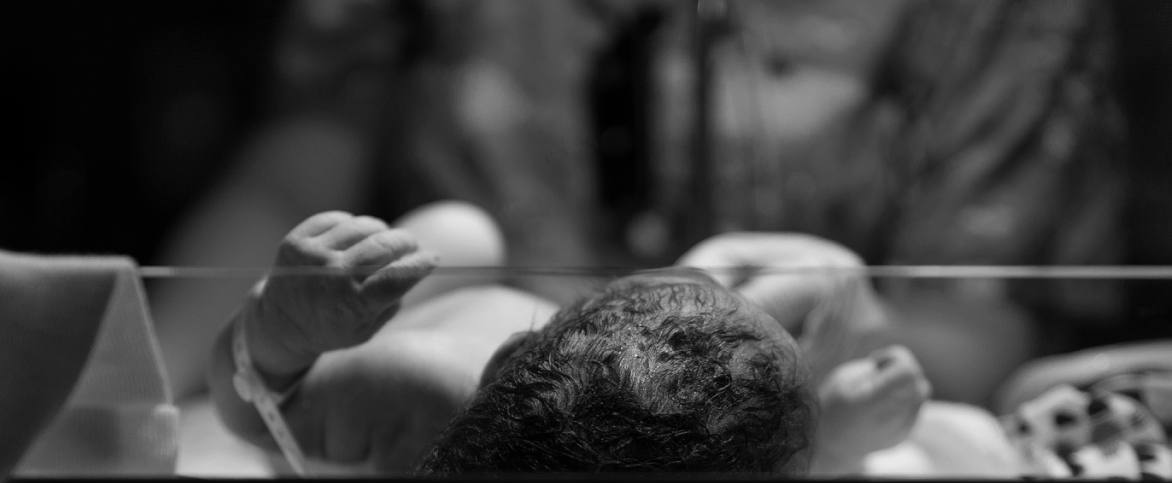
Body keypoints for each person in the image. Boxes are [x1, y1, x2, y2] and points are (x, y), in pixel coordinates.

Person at [166, 0, 1126, 408]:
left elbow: (980, 326)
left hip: (768, 386)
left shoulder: (999, 21)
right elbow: (292, 184)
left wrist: (851, 340)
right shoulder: (447, 310)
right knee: (451, 243)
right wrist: (124, 407)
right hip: (475, 358)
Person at [210, 210, 930, 483]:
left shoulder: (409, 381)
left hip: (423, 319)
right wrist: (832, 440)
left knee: (461, 231)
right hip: (559, 378)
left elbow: (251, 410)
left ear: (503, 359)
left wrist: (282, 326)